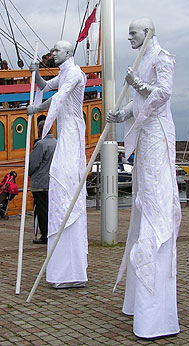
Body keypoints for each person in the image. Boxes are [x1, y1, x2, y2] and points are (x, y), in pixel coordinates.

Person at [107, 18, 181, 339]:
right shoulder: (143, 59)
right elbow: (139, 106)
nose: (129, 38)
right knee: (142, 203)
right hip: (146, 140)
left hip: (158, 139)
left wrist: (135, 82)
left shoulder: (163, 57)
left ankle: (156, 311)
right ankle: (138, 302)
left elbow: (163, 94)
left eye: (133, 33)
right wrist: (120, 114)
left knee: (154, 206)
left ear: (148, 32)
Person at [27, 40, 88, 289]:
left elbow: (58, 99)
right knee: (59, 187)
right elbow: (44, 86)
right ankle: (63, 266)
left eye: (57, 50)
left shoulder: (74, 73)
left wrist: (35, 108)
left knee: (65, 183)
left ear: (69, 53)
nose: (53, 53)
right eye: (52, 51)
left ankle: (71, 268)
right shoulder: (63, 73)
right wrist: (36, 72)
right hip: (65, 134)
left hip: (72, 132)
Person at [29, 120, 57, 244]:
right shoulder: (57, 143)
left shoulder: (41, 144)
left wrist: (29, 174)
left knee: (41, 210)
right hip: (53, 182)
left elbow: (33, 164)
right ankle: (52, 233)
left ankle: (44, 235)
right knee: (52, 210)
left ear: (40, 131)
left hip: (40, 183)